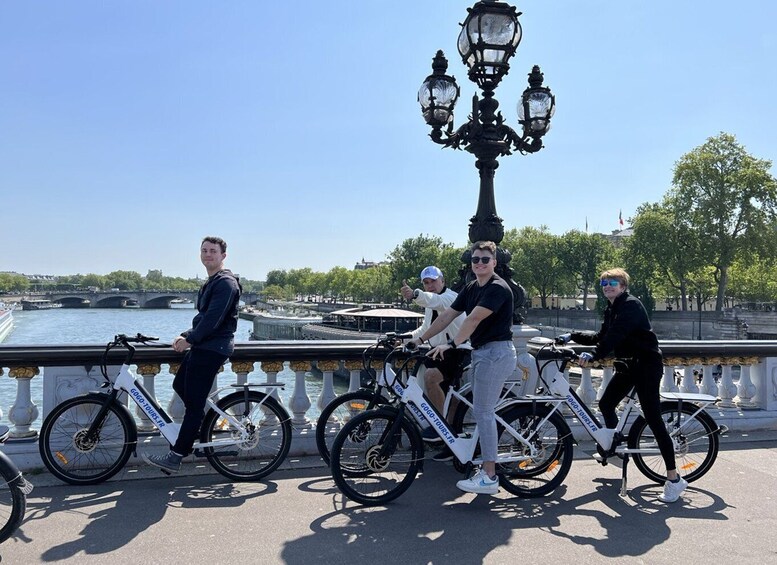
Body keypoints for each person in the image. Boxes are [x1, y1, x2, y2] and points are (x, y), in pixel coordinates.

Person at [559, 268, 687, 503]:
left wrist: (594, 355)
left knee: (653, 418)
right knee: (607, 403)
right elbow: (601, 335)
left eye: (613, 282)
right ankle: (615, 447)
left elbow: (614, 337)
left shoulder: (631, 305)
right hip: (628, 367)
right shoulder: (612, 308)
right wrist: (571, 336)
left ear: (623, 286)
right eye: (604, 282)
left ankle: (674, 480)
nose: (607, 285)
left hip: (646, 367)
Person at [410, 241, 516, 495]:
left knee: (483, 412)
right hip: (481, 353)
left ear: (494, 263)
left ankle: (490, 476)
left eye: (484, 259)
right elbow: (448, 315)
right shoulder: (471, 287)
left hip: (496, 353)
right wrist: (420, 340)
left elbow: (473, 318)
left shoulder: (498, 288)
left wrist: (451, 344)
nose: (479, 263)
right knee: (476, 407)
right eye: (475, 259)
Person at [143, 236, 242, 473]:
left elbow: (213, 320)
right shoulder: (212, 282)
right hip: (204, 345)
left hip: (212, 348)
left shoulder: (226, 283)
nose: (207, 254)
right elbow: (203, 320)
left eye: (213, 251)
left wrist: (190, 340)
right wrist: (187, 334)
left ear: (223, 256)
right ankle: (199, 427)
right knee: (180, 385)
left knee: (194, 405)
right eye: (204, 251)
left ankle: (176, 456)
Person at [400, 266, 466, 461]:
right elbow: (425, 329)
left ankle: (439, 426)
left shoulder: (450, 298)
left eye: (433, 281)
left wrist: (415, 294)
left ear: (443, 281)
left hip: (456, 351)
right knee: (451, 398)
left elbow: (434, 300)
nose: (430, 286)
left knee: (431, 378)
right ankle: (450, 442)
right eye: (426, 283)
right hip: (438, 353)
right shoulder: (432, 304)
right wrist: (403, 339)